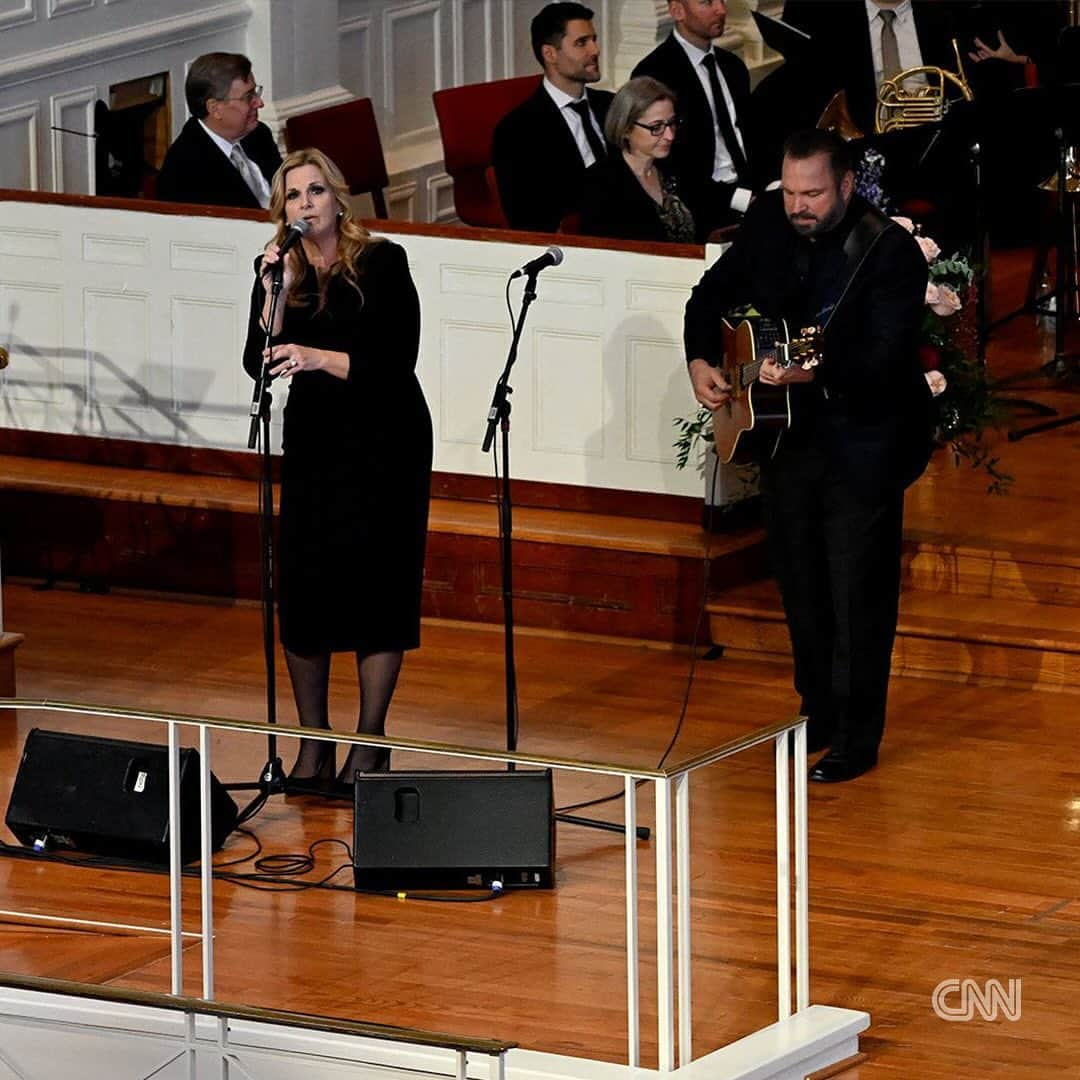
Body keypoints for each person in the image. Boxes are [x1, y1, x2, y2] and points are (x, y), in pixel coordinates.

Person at [684, 128, 933, 783]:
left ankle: (857, 734)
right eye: (791, 191)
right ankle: (815, 713)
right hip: (788, 438)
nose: (799, 205)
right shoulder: (769, 219)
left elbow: (884, 357)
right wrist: (701, 360)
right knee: (799, 583)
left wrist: (812, 371)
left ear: (847, 185)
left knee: (858, 592)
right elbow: (708, 295)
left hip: (865, 439)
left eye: (814, 193)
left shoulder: (889, 252)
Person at [241, 148, 432, 793]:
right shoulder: (278, 272)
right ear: (282, 210)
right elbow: (255, 361)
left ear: (337, 199)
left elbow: (394, 361)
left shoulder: (381, 261)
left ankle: (369, 742)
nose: (305, 205)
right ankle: (313, 743)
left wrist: (318, 356)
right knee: (305, 584)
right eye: (293, 197)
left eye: (315, 192)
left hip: (384, 439)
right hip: (317, 441)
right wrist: (277, 294)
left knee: (377, 584)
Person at [632, 0, 756, 240]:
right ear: (678, 10)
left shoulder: (734, 67)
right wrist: (740, 198)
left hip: (751, 192)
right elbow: (669, 166)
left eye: (722, 0)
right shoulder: (655, 73)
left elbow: (750, 137)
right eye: (707, 2)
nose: (721, 9)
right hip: (702, 209)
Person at [492, 2, 614, 232]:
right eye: (581, 43)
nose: (595, 50)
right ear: (550, 54)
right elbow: (528, 218)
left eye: (594, 40)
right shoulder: (518, 131)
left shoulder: (610, 105)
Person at [157, 52, 281, 209]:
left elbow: (287, 189)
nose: (260, 103)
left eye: (256, 92)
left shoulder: (258, 134)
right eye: (249, 97)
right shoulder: (185, 170)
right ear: (215, 109)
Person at [580, 77, 696, 243]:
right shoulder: (600, 183)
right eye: (656, 127)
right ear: (626, 129)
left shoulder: (673, 167)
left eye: (671, 123)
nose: (669, 136)